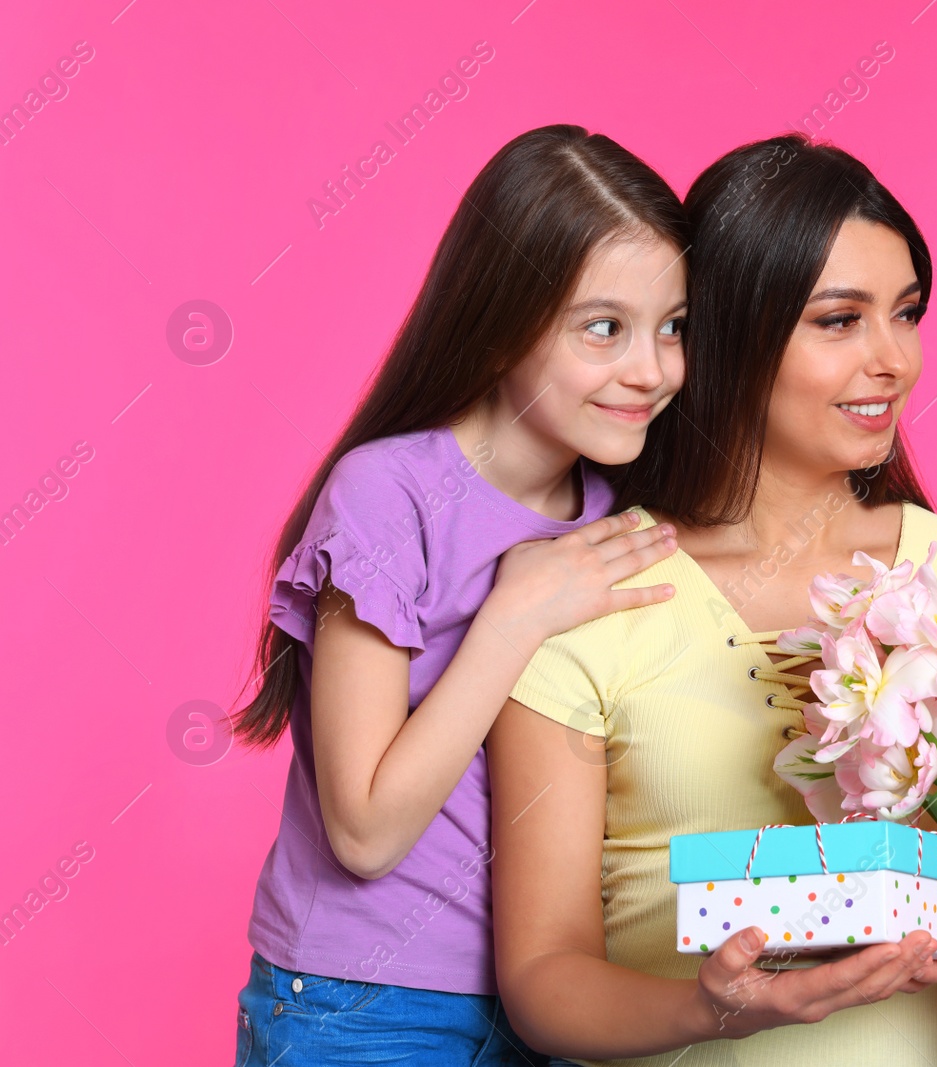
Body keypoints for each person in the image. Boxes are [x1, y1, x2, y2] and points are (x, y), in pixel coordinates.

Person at [486, 135, 937, 1067]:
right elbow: (543, 977)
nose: (893, 358)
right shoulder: (585, 591)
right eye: (840, 320)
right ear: (732, 328)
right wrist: (720, 1009)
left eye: (907, 312)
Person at [231, 125, 688, 1065]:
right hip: (365, 1005)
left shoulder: (623, 518)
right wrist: (512, 617)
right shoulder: (388, 494)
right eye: (604, 327)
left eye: (672, 326)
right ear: (500, 321)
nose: (651, 370)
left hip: (562, 1003)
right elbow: (363, 828)